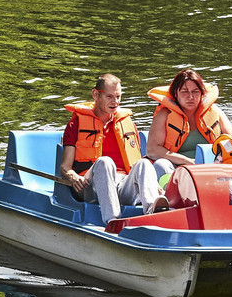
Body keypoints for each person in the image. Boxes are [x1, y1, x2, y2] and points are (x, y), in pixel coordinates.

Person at [58, 74, 167, 223]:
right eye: (109, 96)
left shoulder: (127, 124)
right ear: (95, 94)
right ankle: (113, 221)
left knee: (144, 164)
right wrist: (74, 177)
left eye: (118, 97)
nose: (115, 102)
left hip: (122, 185)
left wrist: (151, 182)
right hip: (90, 186)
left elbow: (135, 162)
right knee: (105, 162)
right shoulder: (75, 126)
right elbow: (65, 168)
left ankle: (153, 214)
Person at [145, 69, 232, 179]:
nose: (190, 97)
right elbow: (152, 150)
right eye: (184, 91)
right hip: (176, 169)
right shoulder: (164, 115)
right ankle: (168, 194)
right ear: (176, 93)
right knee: (161, 164)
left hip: (211, 167)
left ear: (202, 94)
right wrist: (187, 161)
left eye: (195, 92)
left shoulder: (215, 112)